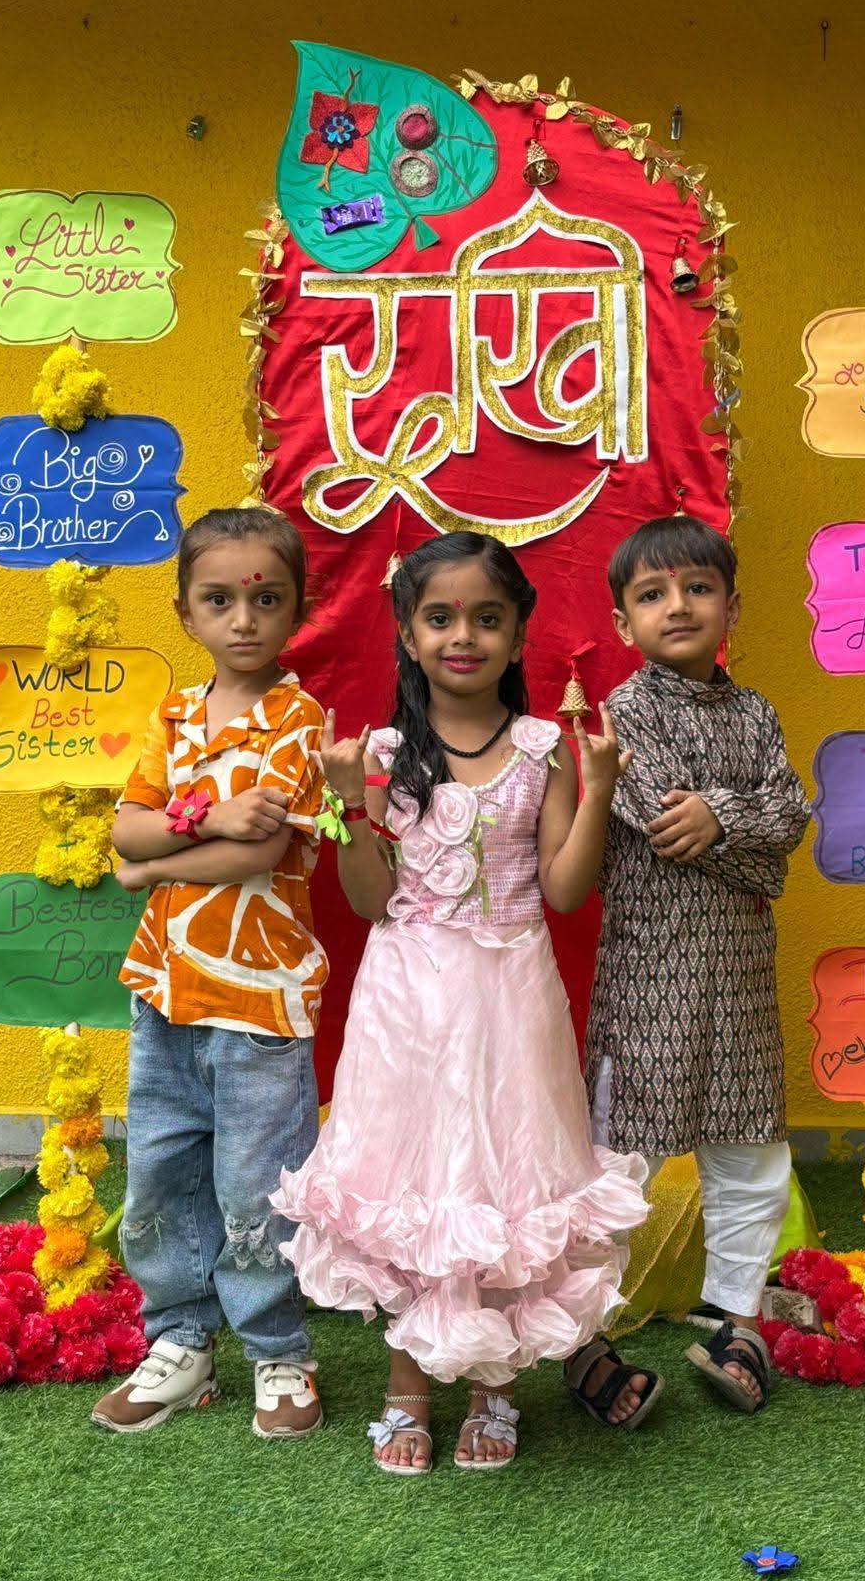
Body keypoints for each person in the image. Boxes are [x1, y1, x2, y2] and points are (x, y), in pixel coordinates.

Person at [271, 531, 652, 1475]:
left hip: (511, 995)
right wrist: (345, 803)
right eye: (440, 617)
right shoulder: (385, 753)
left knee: (501, 1181)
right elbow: (367, 899)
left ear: (519, 634)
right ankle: (407, 1388)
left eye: (487, 617)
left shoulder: (540, 752)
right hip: (407, 997)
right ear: (407, 633)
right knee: (410, 1183)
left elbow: (564, 890)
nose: (463, 635)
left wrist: (597, 789)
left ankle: (494, 1386)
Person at [91, 507, 328, 1440]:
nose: (244, 620)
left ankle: (279, 1351)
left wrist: (154, 867)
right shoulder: (177, 714)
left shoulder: (299, 720)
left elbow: (254, 859)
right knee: (160, 1169)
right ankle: (181, 1342)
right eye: (219, 600)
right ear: (186, 612)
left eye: (266, 599)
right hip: (164, 991)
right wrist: (203, 820)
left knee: (257, 1182)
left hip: (260, 997)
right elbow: (126, 826)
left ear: (296, 609)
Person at [579, 515, 810, 1416]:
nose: (678, 606)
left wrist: (727, 822)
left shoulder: (756, 713)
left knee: (750, 1148)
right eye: (652, 594)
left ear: (731, 606)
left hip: (743, 972)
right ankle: (582, 1329)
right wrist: (748, 838)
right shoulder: (627, 713)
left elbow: (790, 810)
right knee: (617, 1154)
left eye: (698, 588)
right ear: (622, 622)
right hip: (650, 971)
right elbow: (676, 827)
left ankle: (738, 1318)